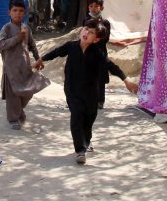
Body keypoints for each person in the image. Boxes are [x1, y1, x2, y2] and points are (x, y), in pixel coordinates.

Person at [34, 19, 138, 164]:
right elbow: (56, 52)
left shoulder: (97, 53)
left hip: (91, 92)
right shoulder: (71, 46)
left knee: (88, 119)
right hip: (72, 89)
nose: (86, 33)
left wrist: (126, 80)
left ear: (96, 39)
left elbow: (111, 66)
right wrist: (41, 59)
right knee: (76, 116)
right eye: (85, 29)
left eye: (91, 33)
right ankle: (80, 150)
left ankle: (86, 141)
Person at [0, 0, 50, 130]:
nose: (18, 13)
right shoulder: (7, 28)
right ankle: (14, 119)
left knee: (28, 91)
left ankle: (19, 111)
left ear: (24, 13)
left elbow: (32, 45)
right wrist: (16, 38)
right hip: (11, 69)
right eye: (15, 10)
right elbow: (0, 44)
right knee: (13, 95)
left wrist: (38, 58)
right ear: (9, 12)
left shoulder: (26, 28)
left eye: (21, 11)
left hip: (25, 67)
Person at [81, 0, 111, 109]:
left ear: (101, 8)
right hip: (87, 52)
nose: (93, 9)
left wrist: (95, 38)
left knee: (100, 78)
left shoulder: (106, 23)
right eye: (91, 6)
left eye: (96, 6)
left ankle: (100, 101)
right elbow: (83, 35)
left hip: (100, 53)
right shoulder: (86, 21)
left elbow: (106, 39)